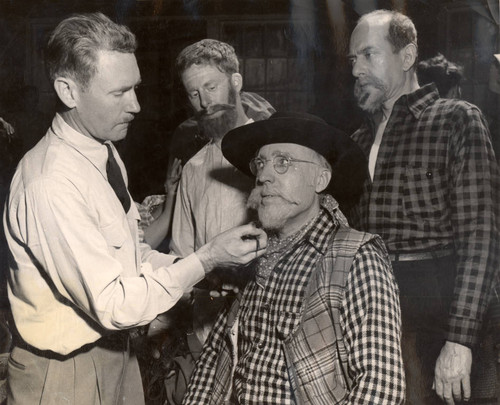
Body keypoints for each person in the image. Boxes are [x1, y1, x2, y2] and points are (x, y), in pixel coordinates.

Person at [3, 12, 268, 405]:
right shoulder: (51, 182)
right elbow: (115, 304)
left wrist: (202, 269)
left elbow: (131, 256)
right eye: (119, 93)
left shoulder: (102, 151)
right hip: (65, 375)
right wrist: (207, 258)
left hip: (116, 356)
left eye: (136, 88)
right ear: (68, 91)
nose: (137, 105)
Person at [182, 111, 405, 404]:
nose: (263, 175)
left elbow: (381, 389)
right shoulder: (252, 258)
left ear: (321, 179)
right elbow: (213, 364)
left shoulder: (356, 258)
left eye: (283, 162)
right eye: (260, 163)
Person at [347, 9, 500, 404]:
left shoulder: (456, 119)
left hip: (441, 308)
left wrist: (461, 340)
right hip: (380, 309)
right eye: (352, 60)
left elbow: (480, 234)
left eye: (368, 55)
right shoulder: (357, 141)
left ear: (408, 55)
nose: (356, 70)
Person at [170, 39, 275, 344]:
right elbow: (181, 255)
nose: (204, 102)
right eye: (194, 93)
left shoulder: (275, 151)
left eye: (211, 86)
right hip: (209, 334)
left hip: (269, 330)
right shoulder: (193, 168)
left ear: (236, 81)